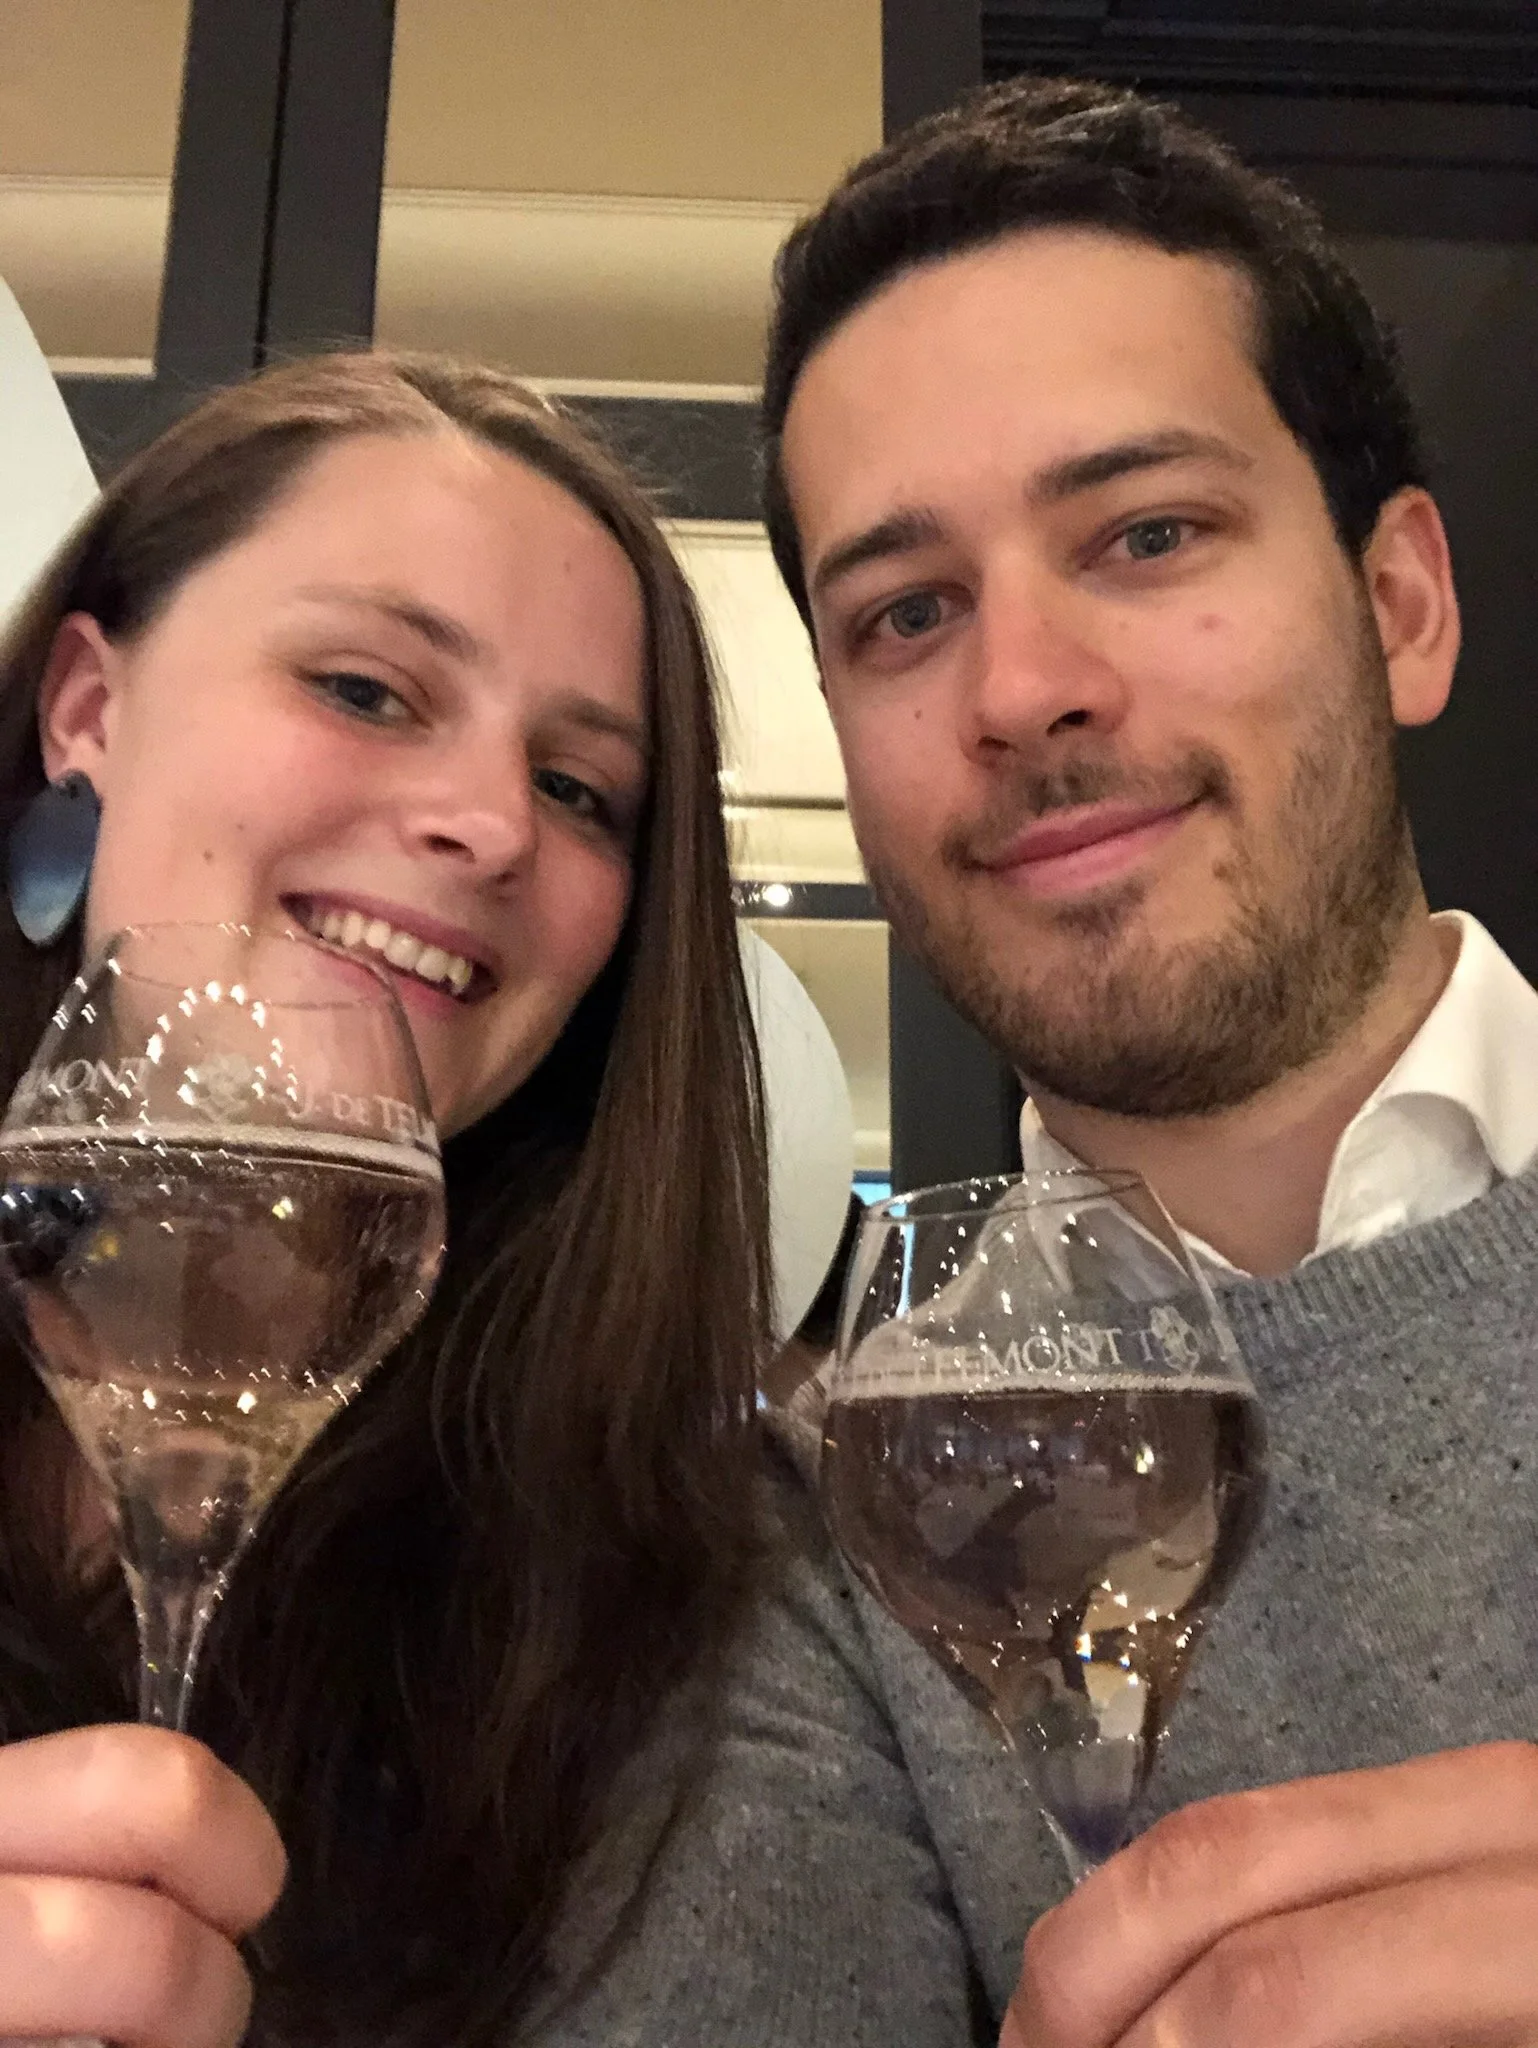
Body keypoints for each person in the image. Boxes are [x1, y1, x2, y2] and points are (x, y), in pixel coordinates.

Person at [761, 74, 1538, 2048]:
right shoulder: (820, 1532)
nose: (1022, 688)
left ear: (1399, 607)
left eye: (1147, 532)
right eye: (906, 612)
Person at [0, 349, 785, 2046]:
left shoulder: (696, 1627)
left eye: (579, 791)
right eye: (365, 689)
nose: (494, 824)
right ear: (88, 711)